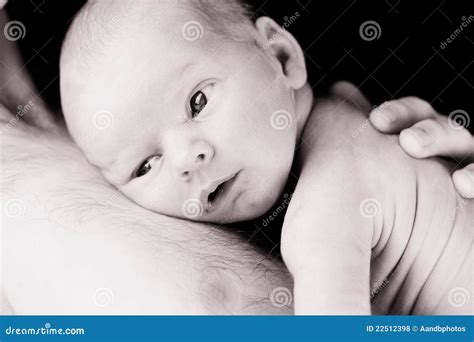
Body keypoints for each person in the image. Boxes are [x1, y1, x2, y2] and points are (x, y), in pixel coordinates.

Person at [1, 4, 473, 315]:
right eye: (145, 166)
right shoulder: (344, 109)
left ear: (283, 56)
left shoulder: (322, 215)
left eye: (198, 103)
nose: (187, 159)